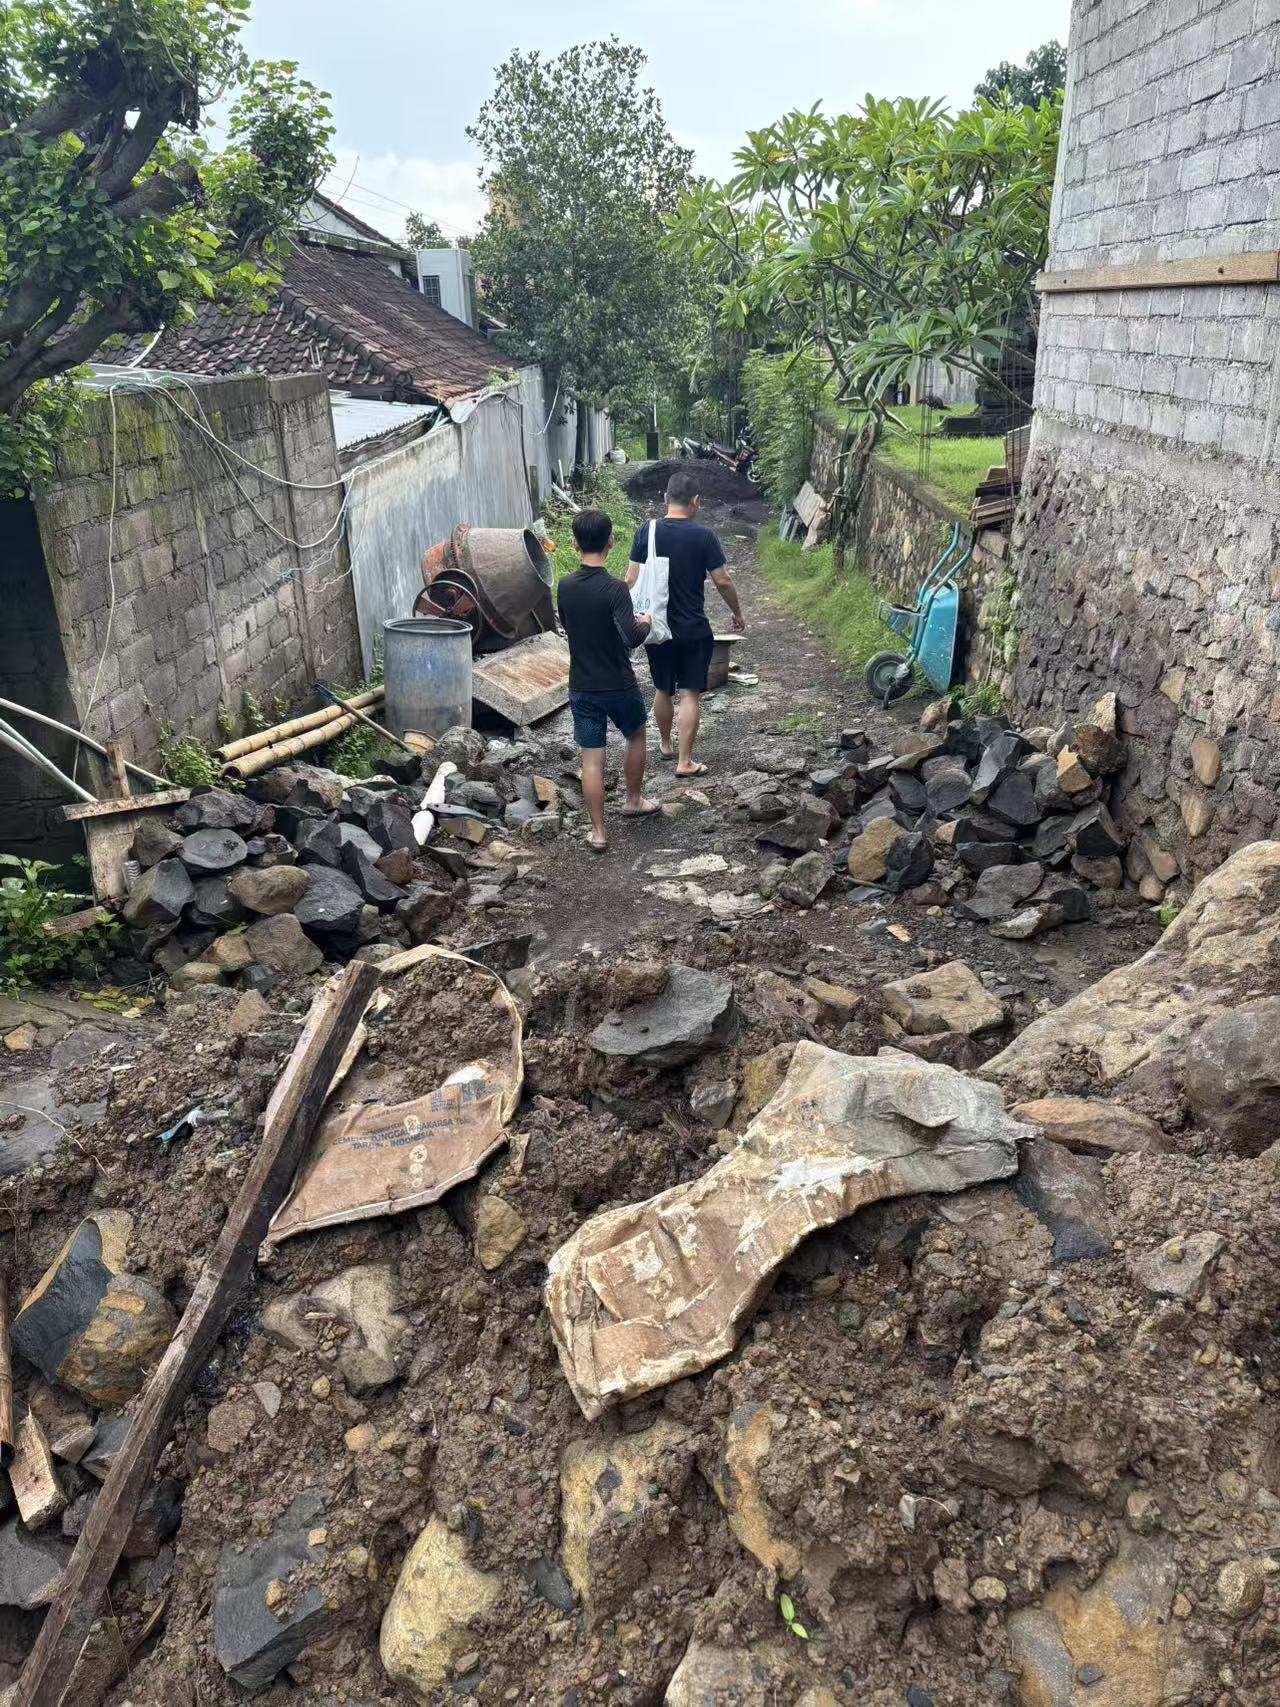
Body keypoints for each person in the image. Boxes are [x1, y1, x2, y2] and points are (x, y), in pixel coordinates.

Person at [626, 471, 745, 777]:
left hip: (656, 626)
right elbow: (723, 580)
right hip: (692, 628)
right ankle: (684, 761)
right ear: (696, 501)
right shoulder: (704, 536)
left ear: (665, 498)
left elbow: (631, 579)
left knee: (662, 688)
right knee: (690, 692)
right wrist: (737, 612)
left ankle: (666, 744)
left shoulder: (647, 530)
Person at [556, 508, 661, 852]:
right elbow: (631, 637)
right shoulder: (616, 589)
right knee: (636, 734)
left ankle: (599, 833)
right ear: (611, 542)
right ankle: (633, 799)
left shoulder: (565, 586)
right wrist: (645, 622)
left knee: (591, 760)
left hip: (582, 686)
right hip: (619, 683)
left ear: (574, 544)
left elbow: (567, 625)